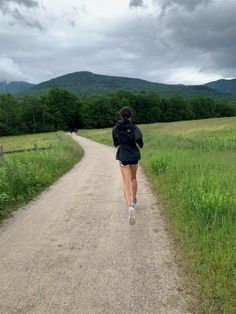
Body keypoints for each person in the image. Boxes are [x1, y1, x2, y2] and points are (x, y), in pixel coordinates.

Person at [112, 107, 143, 225]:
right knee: (133, 178)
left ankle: (130, 206)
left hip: (123, 156)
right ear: (130, 116)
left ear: (120, 116)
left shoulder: (116, 128)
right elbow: (140, 142)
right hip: (134, 155)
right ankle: (134, 200)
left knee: (126, 183)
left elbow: (116, 143)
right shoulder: (134, 127)